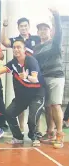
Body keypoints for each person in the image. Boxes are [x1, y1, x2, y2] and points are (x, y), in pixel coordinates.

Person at [0, 40, 45, 146]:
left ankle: (34, 136)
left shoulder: (31, 61)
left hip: (36, 94)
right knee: (9, 113)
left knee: (32, 118)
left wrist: (26, 76)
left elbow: (35, 79)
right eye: (14, 47)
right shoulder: (13, 63)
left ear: (24, 49)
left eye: (19, 47)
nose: (16, 49)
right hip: (22, 96)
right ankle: (18, 137)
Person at [33, 8, 65, 149]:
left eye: (45, 29)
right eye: (40, 29)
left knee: (55, 105)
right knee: (47, 106)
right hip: (43, 79)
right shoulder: (37, 48)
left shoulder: (55, 42)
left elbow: (59, 31)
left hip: (56, 77)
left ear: (50, 31)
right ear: (38, 32)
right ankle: (49, 132)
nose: (43, 31)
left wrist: (56, 16)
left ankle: (59, 134)